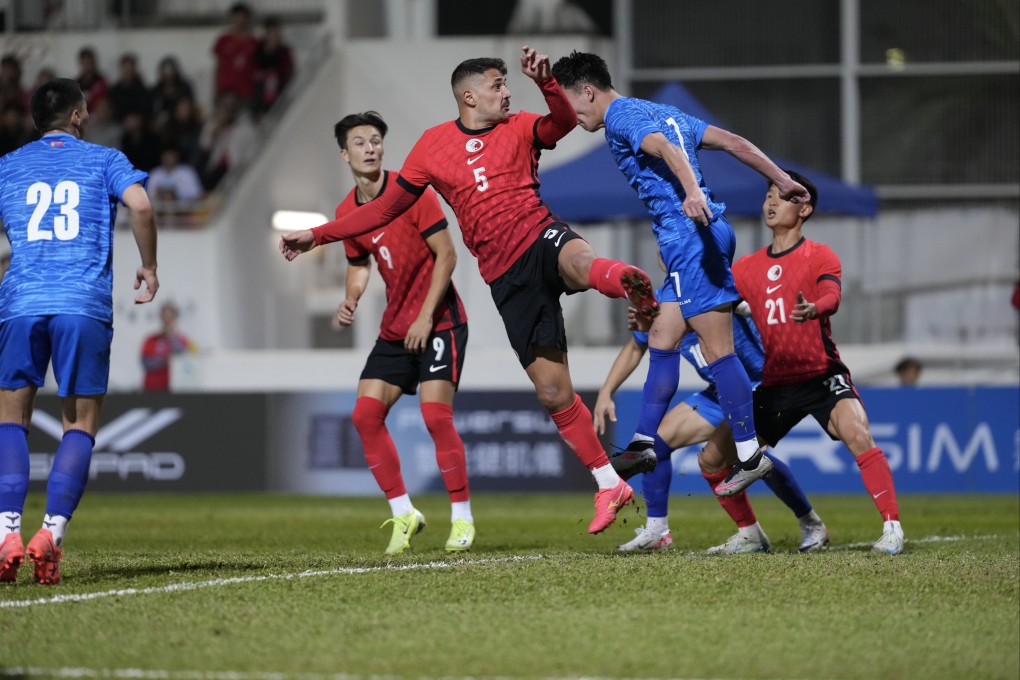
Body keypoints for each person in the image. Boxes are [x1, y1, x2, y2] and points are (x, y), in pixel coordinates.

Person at [280, 47, 662, 535]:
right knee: (552, 392)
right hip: (504, 277)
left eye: (507, 84)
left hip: (539, 234)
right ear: (468, 96)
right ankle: (609, 483)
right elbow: (379, 212)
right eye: (497, 85)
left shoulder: (522, 125)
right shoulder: (431, 147)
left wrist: (547, 83)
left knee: (578, 260)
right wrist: (317, 234)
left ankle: (626, 281)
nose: (506, 92)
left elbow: (563, 122)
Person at [551, 51, 811, 499]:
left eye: (571, 106)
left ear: (588, 92)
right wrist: (782, 180)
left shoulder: (621, 118)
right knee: (663, 336)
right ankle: (645, 443)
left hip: (691, 234)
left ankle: (748, 454)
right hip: (696, 235)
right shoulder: (662, 111)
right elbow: (734, 142)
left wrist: (692, 194)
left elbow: (667, 150)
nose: (571, 117)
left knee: (717, 348)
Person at [0, 78, 159, 585]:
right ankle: (51, 534)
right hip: (81, 305)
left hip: (21, 304)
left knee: (10, 422)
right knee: (79, 426)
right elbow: (142, 206)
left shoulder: (8, 166)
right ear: (75, 117)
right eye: (85, 109)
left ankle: (5, 533)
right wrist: (149, 267)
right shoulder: (104, 159)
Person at [711, 170, 904, 555]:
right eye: (768, 194)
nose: (770, 201)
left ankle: (892, 528)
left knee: (857, 433)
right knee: (714, 457)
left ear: (804, 209)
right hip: (777, 383)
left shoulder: (820, 255)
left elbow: (832, 297)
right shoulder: (746, 268)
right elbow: (714, 305)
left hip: (821, 375)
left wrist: (814, 308)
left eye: (781, 196)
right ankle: (757, 533)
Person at [330, 111, 474, 555]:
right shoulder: (345, 212)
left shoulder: (412, 194)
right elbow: (359, 263)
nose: (370, 148)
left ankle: (463, 520)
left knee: (435, 418)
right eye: (360, 142)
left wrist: (426, 316)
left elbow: (447, 256)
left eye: (376, 140)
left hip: (440, 319)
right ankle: (404, 513)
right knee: (364, 416)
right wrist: (352, 296)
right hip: (396, 326)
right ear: (345, 154)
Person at [595, 286, 829, 554]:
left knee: (749, 457)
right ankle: (658, 531)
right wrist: (606, 391)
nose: (666, 248)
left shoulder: (713, 284)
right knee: (655, 444)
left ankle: (810, 522)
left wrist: (663, 322)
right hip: (718, 393)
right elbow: (636, 346)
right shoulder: (662, 299)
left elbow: (748, 311)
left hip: (757, 388)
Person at [140, 302, 195, 391]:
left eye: (170, 318)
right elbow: (146, 363)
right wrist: (165, 360)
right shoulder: (151, 340)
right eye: (165, 318)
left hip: (175, 389)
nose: (167, 322)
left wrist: (171, 337)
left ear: (175, 319)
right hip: (152, 390)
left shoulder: (182, 341)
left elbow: (184, 360)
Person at [212, 2, 258, 105]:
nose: (240, 19)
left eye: (243, 16)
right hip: (226, 92)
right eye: (237, 16)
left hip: (246, 92)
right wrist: (216, 90)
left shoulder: (254, 42)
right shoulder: (224, 40)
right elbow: (218, 66)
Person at [252, 16, 294, 115]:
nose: (273, 35)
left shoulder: (284, 51)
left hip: (278, 90)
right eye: (270, 32)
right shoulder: (259, 49)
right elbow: (253, 69)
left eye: (275, 32)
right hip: (261, 92)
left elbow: (288, 71)